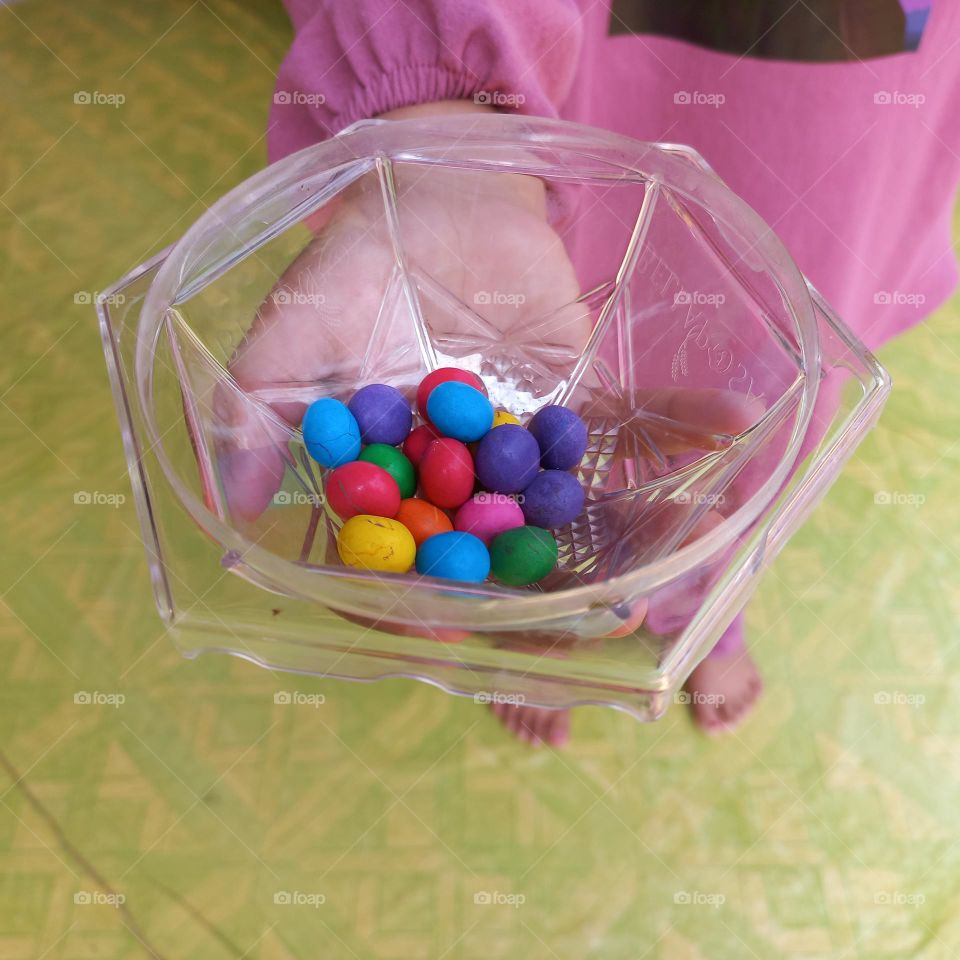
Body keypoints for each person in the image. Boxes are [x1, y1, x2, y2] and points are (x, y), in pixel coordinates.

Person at [225, 0, 960, 745]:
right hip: (593, 80)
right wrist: (447, 126)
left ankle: (704, 615)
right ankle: (549, 628)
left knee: (758, 405)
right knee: (571, 374)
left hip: (861, 101)